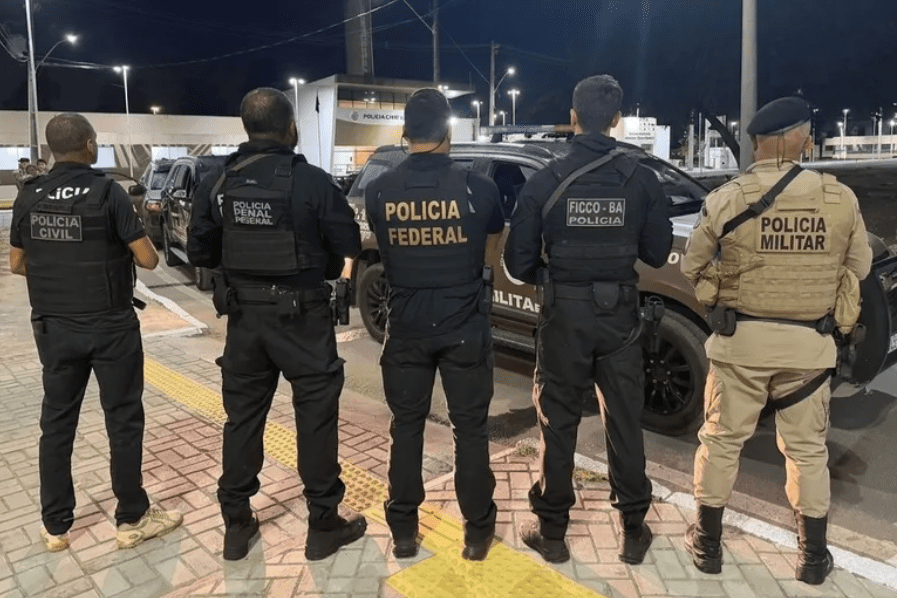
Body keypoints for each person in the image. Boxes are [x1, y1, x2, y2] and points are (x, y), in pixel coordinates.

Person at [681, 96, 872, 585]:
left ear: (758, 144)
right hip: (809, 350)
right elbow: (860, 266)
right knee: (807, 452)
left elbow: (693, 265)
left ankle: (707, 547)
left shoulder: (728, 197)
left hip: (741, 347)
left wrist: (720, 290)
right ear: (801, 141)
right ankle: (812, 559)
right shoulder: (839, 199)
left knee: (721, 442)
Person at [187, 88, 365, 562]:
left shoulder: (218, 182)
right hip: (303, 320)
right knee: (316, 420)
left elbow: (200, 251)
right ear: (291, 128)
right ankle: (322, 525)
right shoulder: (312, 181)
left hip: (245, 321)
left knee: (243, 420)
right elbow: (347, 245)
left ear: (247, 128)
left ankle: (236, 524)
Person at [504, 75, 673, 565]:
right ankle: (633, 530)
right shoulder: (642, 179)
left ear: (573, 117)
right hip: (620, 315)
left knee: (558, 421)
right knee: (624, 420)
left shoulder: (544, 181)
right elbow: (657, 253)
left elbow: (517, 263)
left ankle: (553, 532)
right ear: (616, 120)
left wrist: (553, 275)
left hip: (564, 316)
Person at [9, 113, 182, 553]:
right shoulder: (108, 193)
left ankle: (55, 527)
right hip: (110, 326)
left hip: (55, 327)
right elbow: (148, 260)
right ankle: (131, 518)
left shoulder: (29, 195)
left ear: (51, 150)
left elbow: (16, 263)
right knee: (123, 420)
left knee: (56, 423)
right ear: (89, 145)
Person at [364, 88, 503, 561]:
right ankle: (477, 533)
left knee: (406, 429)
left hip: (406, 327)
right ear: (448, 131)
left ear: (405, 132)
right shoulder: (478, 188)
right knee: (471, 431)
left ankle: (404, 532)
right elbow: (491, 245)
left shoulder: (379, 190)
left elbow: (387, 247)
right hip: (464, 326)